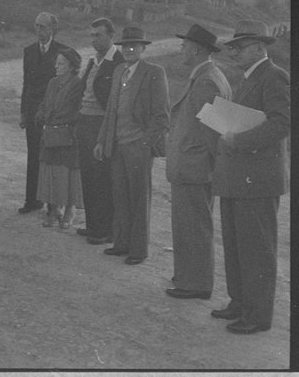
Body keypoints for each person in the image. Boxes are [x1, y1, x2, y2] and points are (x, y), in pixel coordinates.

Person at [211, 20, 289, 334]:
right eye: (233, 46)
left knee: (256, 248)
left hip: (257, 178)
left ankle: (258, 316)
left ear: (259, 47)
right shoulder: (248, 78)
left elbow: (282, 123)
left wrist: (239, 140)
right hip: (239, 176)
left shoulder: (275, 76)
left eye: (240, 47)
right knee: (236, 244)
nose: (234, 51)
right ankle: (241, 302)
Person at [165, 24, 232, 300]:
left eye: (184, 46)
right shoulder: (208, 75)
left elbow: (213, 132)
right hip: (193, 166)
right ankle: (189, 277)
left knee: (194, 226)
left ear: (195, 49)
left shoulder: (206, 80)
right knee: (190, 224)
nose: (181, 50)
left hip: (195, 167)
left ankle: (196, 283)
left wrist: (217, 170)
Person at [94, 24, 169, 265]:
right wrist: (101, 141)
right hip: (117, 144)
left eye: (134, 45)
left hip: (138, 146)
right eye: (126, 45)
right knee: (120, 196)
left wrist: (145, 144)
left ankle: (138, 250)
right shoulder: (118, 71)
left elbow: (162, 117)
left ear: (143, 48)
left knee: (138, 198)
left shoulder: (154, 72)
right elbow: (111, 111)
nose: (129, 49)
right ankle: (121, 243)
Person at [74, 18, 124, 244]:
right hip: (85, 123)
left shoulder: (118, 62)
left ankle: (105, 230)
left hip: (102, 125)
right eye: (92, 35)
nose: (94, 39)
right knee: (88, 177)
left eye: (99, 35)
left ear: (111, 36)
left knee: (102, 179)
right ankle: (93, 225)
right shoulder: (93, 61)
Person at [18, 12, 70, 214]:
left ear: (52, 30)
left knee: (52, 157)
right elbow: (26, 84)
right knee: (33, 155)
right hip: (33, 113)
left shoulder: (63, 52)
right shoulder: (29, 51)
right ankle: (32, 201)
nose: (39, 31)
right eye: (37, 26)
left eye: (43, 27)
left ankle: (53, 205)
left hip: (53, 113)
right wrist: (23, 112)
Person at [35, 48, 84, 228]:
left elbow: (74, 110)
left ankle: (69, 210)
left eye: (61, 63)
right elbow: (44, 103)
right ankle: (54, 209)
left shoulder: (78, 84)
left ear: (71, 66)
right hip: (50, 134)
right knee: (51, 172)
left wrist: (53, 118)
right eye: (56, 62)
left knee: (68, 173)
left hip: (67, 135)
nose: (56, 66)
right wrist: (41, 115)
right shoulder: (53, 83)